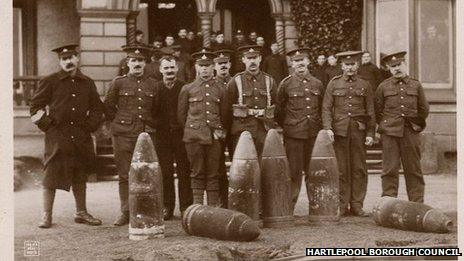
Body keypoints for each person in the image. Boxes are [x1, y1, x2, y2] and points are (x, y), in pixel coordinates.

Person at [30, 44, 104, 228]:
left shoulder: (87, 82)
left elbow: (96, 108)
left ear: (77, 59)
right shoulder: (50, 81)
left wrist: (90, 126)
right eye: (64, 59)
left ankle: (81, 212)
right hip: (57, 137)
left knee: (80, 174)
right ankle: (46, 215)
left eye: (71, 58)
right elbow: (35, 108)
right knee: (51, 176)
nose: (68, 62)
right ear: (60, 61)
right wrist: (49, 128)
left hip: (80, 136)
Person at [104, 45, 159, 226]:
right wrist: (121, 122)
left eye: (140, 60)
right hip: (123, 135)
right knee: (125, 174)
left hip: (145, 134)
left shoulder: (153, 84)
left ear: (145, 63)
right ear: (127, 63)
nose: (137, 64)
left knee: (145, 173)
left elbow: (158, 109)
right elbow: (109, 108)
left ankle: (143, 209)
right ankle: (126, 211)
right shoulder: (118, 83)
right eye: (133, 60)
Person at [322, 51, 375, 217]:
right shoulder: (333, 84)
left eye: (353, 64)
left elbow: (371, 111)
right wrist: (328, 128)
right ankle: (342, 205)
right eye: (347, 64)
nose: (350, 68)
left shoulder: (365, 84)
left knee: (359, 168)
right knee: (341, 169)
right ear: (342, 66)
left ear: (357, 65)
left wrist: (370, 133)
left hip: (358, 132)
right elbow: (326, 108)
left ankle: (357, 205)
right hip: (340, 132)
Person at [375, 51, 429, 203]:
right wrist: (387, 125)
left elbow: (423, 109)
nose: (397, 68)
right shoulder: (383, 87)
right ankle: (388, 202)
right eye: (393, 66)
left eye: (399, 65)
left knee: (413, 168)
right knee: (389, 169)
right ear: (389, 69)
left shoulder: (416, 85)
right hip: (390, 133)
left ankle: (417, 202)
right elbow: (378, 110)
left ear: (405, 65)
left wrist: (415, 125)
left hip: (410, 132)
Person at [276, 47, 324, 213]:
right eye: (296, 61)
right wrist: (290, 125)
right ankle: (290, 206)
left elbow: (322, 108)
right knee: (293, 173)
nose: (300, 63)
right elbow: (279, 110)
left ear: (308, 62)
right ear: (292, 64)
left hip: (313, 134)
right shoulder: (286, 84)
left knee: (314, 172)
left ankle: (316, 206)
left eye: (302, 60)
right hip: (294, 135)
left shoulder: (317, 84)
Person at [178, 49, 227, 206]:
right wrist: (194, 129)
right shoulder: (187, 89)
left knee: (214, 173)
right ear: (196, 67)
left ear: (213, 67)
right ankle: (198, 208)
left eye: (208, 65)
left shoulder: (221, 89)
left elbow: (225, 114)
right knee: (197, 173)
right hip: (193, 137)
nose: (205, 69)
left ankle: (212, 209)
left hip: (214, 137)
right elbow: (181, 115)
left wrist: (219, 131)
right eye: (201, 66)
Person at [153, 53, 193, 220]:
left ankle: (186, 207)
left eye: (172, 67)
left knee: (185, 172)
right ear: (161, 70)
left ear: (177, 69)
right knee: (165, 172)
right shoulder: (156, 88)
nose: (169, 71)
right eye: (166, 68)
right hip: (162, 137)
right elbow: (151, 111)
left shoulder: (184, 87)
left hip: (181, 136)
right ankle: (167, 206)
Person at [224, 45, 279, 157]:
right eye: (249, 58)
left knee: (264, 166)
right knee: (244, 167)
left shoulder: (269, 80)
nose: (252, 61)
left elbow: (276, 105)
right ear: (243, 60)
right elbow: (227, 109)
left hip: (264, 130)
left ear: (260, 58)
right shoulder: (235, 81)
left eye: (255, 57)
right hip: (242, 131)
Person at [213, 49, 233, 208]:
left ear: (230, 64)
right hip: (217, 132)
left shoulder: (237, 82)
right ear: (215, 66)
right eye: (220, 64)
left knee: (238, 164)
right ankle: (223, 200)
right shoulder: (211, 84)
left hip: (235, 130)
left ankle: (239, 197)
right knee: (218, 167)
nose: (223, 66)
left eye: (225, 63)